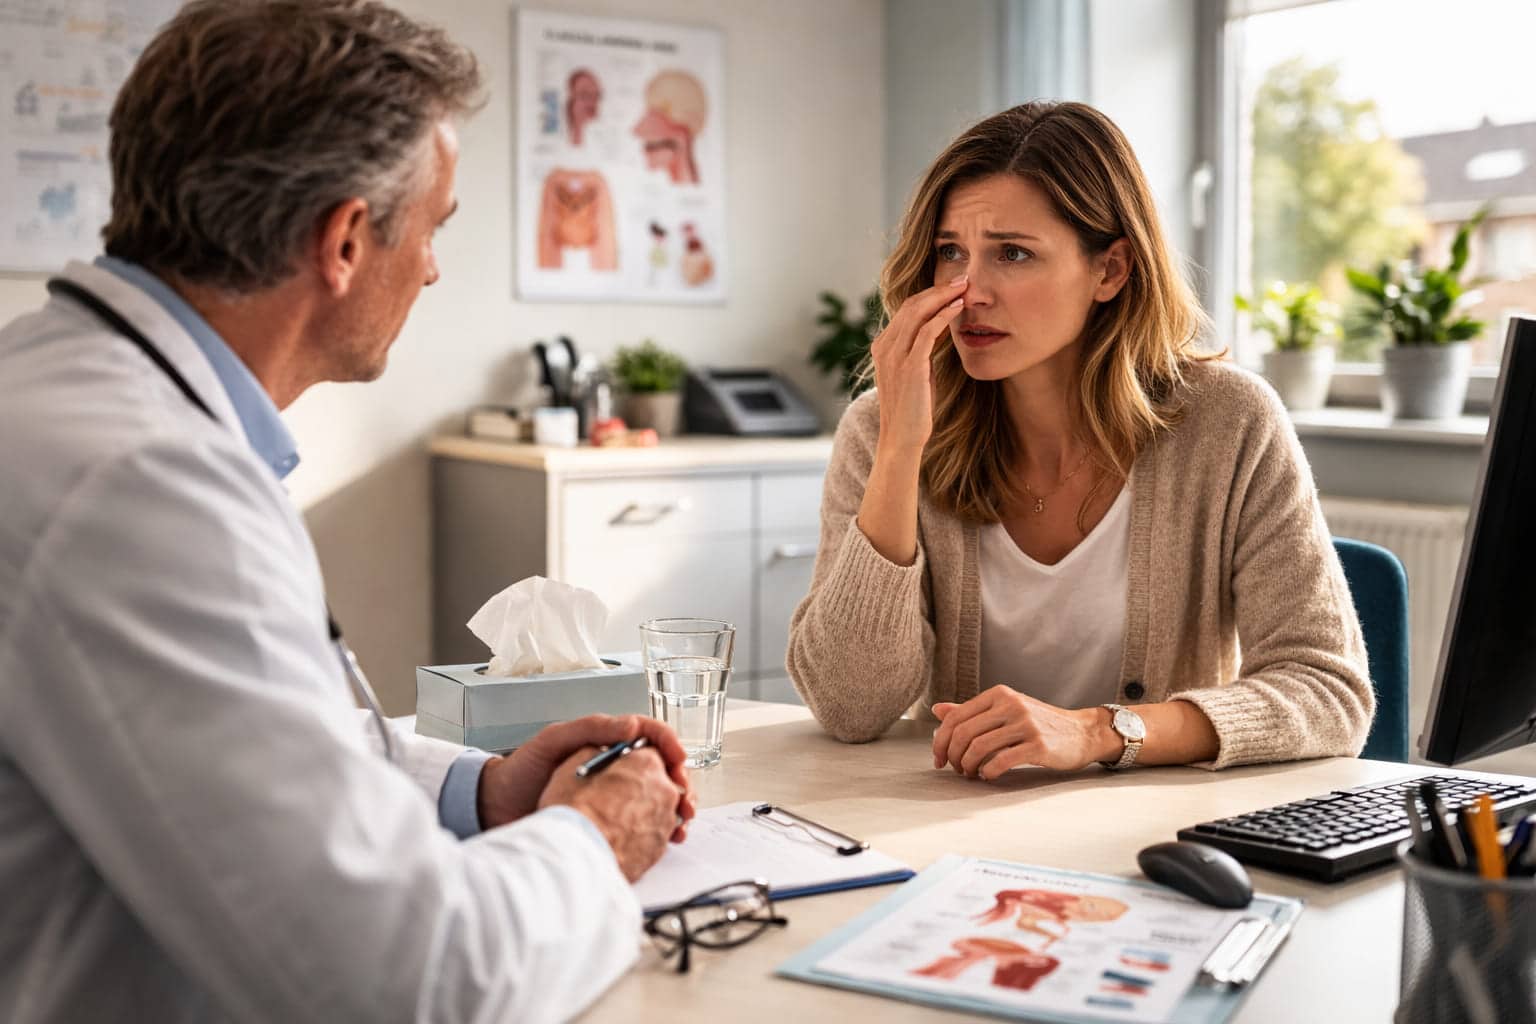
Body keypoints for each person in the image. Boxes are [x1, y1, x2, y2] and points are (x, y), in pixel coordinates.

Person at [0, 2, 694, 1021]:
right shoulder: (141, 486)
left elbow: (249, 760)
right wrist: (599, 836)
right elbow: (408, 980)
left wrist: (486, 791)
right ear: (345, 240)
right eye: (434, 227)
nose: (432, 267)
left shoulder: (70, 389)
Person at [786, 102, 1372, 776]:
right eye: (951, 252)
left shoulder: (1231, 423)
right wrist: (899, 448)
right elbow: (848, 707)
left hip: (1155, 835)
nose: (968, 291)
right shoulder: (883, 425)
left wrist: (1099, 733)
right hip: (955, 829)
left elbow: (1329, 694)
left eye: (1012, 253)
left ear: (1110, 271)